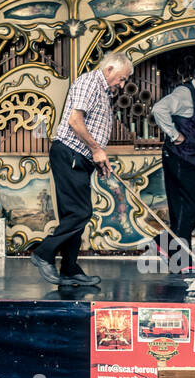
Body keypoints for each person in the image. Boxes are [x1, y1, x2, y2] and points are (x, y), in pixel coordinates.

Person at [28, 51, 133, 288]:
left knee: (73, 214)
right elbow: (75, 121)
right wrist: (96, 149)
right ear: (109, 70)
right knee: (80, 213)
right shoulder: (90, 83)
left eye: (125, 80)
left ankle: (69, 268)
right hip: (70, 153)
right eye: (122, 78)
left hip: (80, 157)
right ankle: (43, 253)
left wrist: (97, 157)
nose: (123, 84)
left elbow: (92, 128)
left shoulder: (104, 91)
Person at [150, 59, 195, 273]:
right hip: (182, 159)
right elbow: (159, 109)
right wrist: (174, 135)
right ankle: (182, 261)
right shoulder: (184, 93)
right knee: (186, 208)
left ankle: (164, 242)